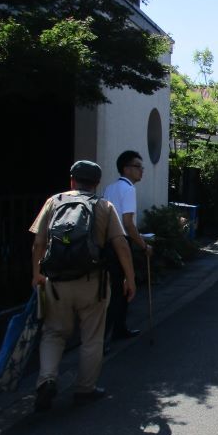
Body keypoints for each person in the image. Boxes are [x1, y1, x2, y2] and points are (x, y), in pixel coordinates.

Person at [30, 160, 136, 411]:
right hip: (92, 283)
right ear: (97, 183)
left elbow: (39, 242)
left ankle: (46, 379)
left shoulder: (53, 202)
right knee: (92, 337)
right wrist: (129, 278)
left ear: (71, 180)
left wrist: (36, 274)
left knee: (53, 333)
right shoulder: (103, 206)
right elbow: (120, 244)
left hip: (56, 283)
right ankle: (85, 389)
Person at [103, 150, 152, 342]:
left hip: (107, 244)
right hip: (121, 244)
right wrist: (143, 245)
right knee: (120, 290)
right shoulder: (129, 189)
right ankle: (108, 337)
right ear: (126, 169)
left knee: (115, 290)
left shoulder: (110, 188)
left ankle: (119, 329)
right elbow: (128, 224)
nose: (142, 171)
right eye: (138, 167)